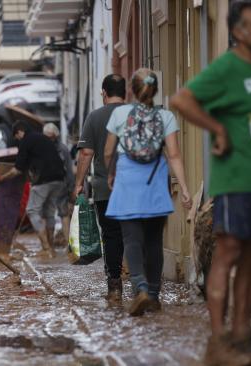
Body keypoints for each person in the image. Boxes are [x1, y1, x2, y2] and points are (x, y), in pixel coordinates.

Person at [170, 1, 251, 364]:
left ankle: (242, 337)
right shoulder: (225, 67)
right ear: (237, 32)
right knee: (228, 253)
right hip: (235, 179)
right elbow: (181, 100)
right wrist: (217, 129)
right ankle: (218, 341)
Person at [103, 68, 191, 317]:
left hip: (128, 181)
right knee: (154, 242)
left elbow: (109, 151)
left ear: (131, 89)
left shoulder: (120, 113)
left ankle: (139, 286)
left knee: (131, 239)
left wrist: (111, 173)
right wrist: (183, 188)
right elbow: (173, 154)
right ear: (155, 90)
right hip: (155, 183)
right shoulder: (165, 116)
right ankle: (153, 294)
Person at [73, 74, 127, 305]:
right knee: (135, 234)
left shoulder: (95, 117)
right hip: (136, 188)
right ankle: (144, 284)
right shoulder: (135, 114)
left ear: (104, 92)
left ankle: (115, 286)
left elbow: (86, 153)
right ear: (125, 92)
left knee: (112, 236)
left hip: (106, 188)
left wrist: (78, 184)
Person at [0, 121, 66, 258]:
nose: (17, 140)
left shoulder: (26, 141)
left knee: (32, 210)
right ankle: (51, 249)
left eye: (16, 136)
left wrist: (2, 178)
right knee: (49, 213)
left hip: (44, 180)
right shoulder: (43, 138)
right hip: (59, 180)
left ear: (19, 132)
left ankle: (46, 248)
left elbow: (17, 169)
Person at [42, 123, 74, 245]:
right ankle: (49, 246)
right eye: (46, 137)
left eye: (50, 137)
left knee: (64, 215)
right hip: (47, 186)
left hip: (62, 186)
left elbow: (69, 171)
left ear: (56, 136)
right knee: (49, 215)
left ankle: (69, 244)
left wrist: (71, 189)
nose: (48, 139)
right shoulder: (43, 149)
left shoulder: (63, 149)